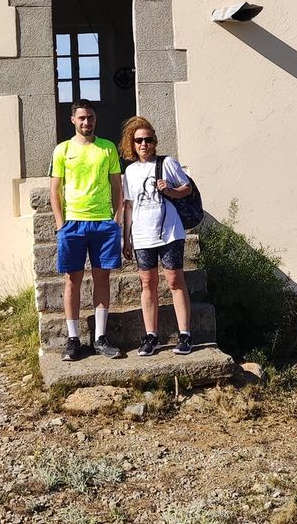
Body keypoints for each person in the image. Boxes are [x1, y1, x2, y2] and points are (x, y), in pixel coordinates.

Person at [50, 100, 123, 361]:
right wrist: (60, 223)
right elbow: (55, 189)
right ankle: (72, 339)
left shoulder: (107, 148)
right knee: (72, 280)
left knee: (102, 279)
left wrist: (117, 218)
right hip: (73, 223)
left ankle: (100, 338)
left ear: (95, 119)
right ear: (73, 120)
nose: (86, 122)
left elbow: (117, 186)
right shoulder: (62, 150)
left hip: (103, 222)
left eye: (90, 117)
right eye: (81, 117)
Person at [120, 116, 195, 356]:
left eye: (148, 139)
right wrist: (126, 237)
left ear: (155, 141)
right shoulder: (130, 171)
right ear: (132, 144)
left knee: (174, 280)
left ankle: (185, 334)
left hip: (170, 232)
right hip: (143, 234)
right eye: (138, 140)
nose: (144, 144)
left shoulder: (168, 163)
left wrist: (170, 190)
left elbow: (188, 188)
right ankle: (151, 336)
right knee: (147, 283)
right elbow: (129, 205)